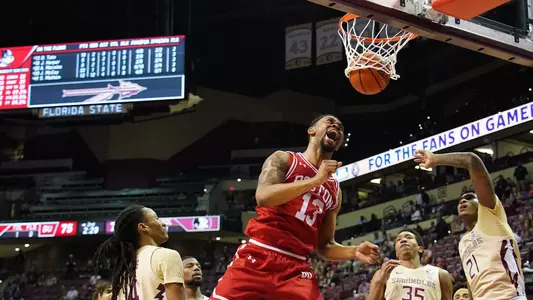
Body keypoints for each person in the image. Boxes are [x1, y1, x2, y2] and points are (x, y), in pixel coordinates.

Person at [211, 115, 380, 300]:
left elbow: (324, 246)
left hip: (297, 266)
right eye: (330, 122)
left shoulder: (334, 190)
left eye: (340, 128)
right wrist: (315, 180)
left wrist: (353, 251)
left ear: (339, 144)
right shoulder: (284, 159)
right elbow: (263, 196)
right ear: (311, 131)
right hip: (260, 252)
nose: (337, 127)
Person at [415, 150, 527, 299]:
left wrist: (436, 159)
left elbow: (471, 160)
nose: (462, 201)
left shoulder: (490, 214)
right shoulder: (463, 242)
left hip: (508, 296)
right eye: (460, 200)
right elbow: (471, 283)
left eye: (469, 198)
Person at [94, 205, 185, 300]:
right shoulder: (166, 256)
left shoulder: (123, 272)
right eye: (156, 218)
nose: (163, 224)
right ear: (143, 227)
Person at [367, 228, 453, 300]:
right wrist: (379, 283)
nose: (403, 240)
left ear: (420, 249)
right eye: (399, 239)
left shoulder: (440, 274)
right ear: (396, 253)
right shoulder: (384, 273)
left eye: (409, 237)